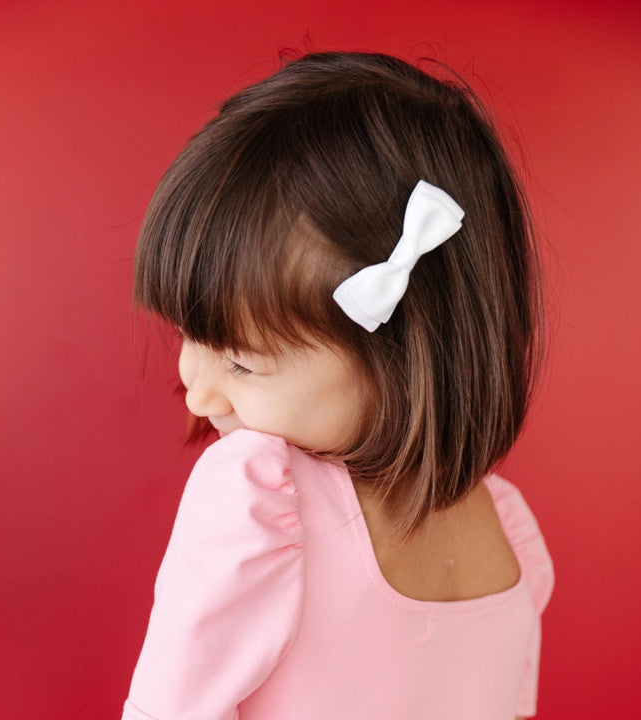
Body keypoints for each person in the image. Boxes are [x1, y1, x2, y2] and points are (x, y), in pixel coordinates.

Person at [122, 51, 554, 720]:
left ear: (402, 358)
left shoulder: (256, 499)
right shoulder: (510, 530)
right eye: (188, 337)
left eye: (240, 363)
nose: (198, 392)